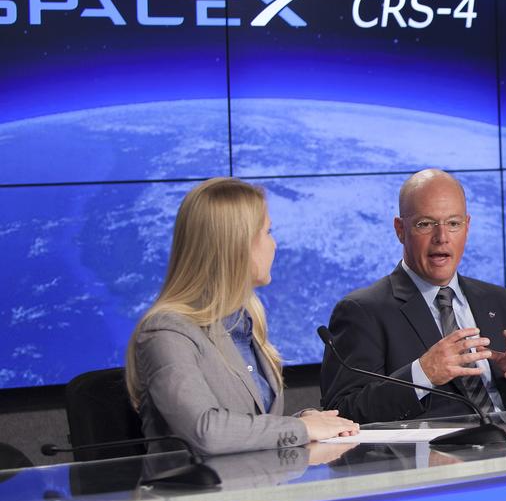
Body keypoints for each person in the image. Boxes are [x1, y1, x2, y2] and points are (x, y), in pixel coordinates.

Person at [126, 178, 359, 456]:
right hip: (196, 495)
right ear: (235, 245)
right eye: (267, 232)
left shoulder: (243, 322)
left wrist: (305, 421)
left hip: (258, 491)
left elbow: (249, 426)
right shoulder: (167, 332)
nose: (274, 245)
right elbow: (206, 432)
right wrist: (301, 429)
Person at [321, 169, 506, 423]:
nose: (442, 238)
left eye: (453, 223)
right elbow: (342, 412)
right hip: (435, 458)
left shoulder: (504, 303)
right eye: (425, 224)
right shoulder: (363, 311)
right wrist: (423, 373)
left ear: (467, 227)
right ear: (400, 229)